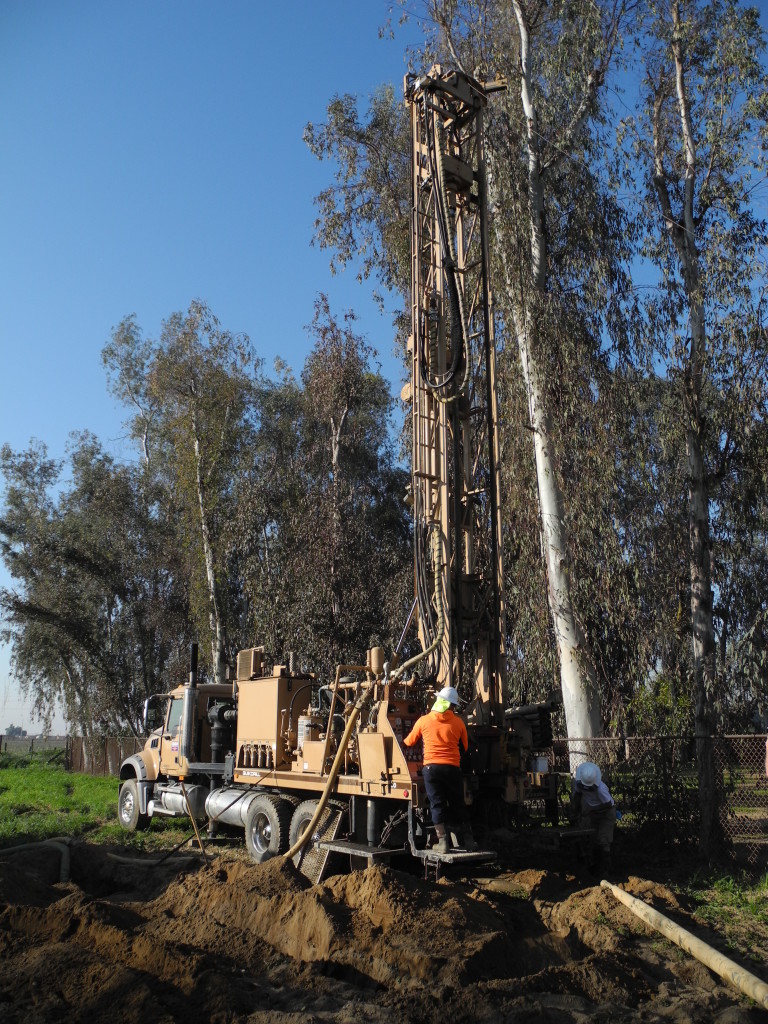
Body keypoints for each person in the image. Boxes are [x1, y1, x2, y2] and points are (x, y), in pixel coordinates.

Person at [404, 685, 477, 853]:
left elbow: (408, 742)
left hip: (431, 769)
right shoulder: (458, 722)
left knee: (437, 804)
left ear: (438, 701)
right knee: (458, 803)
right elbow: (465, 747)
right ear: (452, 706)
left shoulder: (423, 720)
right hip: (452, 769)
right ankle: (469, 841)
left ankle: (443, 842)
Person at [570, 761, 615, 874]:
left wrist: (591, 810)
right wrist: (574, 808)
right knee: (592, 838)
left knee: (603, 839)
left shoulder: (600, 789)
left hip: (606, 814)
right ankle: (593, 866)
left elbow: (608, 804)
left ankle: (605, 869)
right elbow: (578, 795)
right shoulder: (579, 783)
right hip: (593, 813)